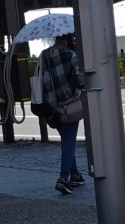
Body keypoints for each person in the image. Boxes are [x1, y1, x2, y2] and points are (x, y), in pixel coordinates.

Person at [35, 31, 88, 194]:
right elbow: (80, 81)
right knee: (70, 142)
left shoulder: (43, 55)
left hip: (51, 107)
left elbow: (38, 78)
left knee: (66, 141)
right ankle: (63, 178)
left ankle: (75, 175)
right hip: (69, 106)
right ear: (68, 38)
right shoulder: (71, 55)